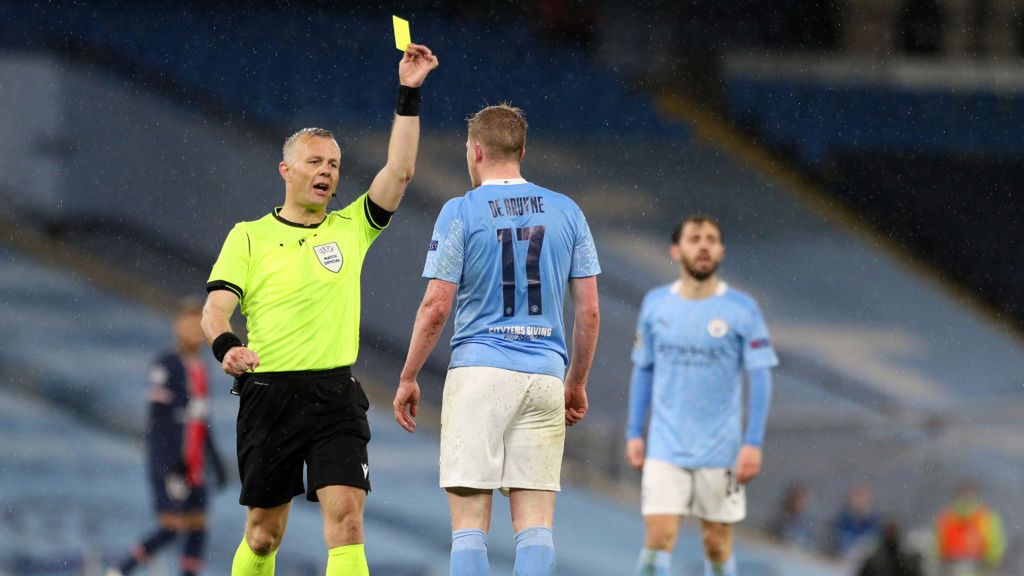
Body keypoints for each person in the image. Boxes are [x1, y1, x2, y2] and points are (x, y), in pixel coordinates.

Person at [201, 44, 438, 576]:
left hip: (335, 395)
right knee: (264, 536)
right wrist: (227, 345)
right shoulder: (249, 236)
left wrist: (409, 92)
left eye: (334, 163)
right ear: (287, 169)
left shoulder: (351, 227)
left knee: (348, 523)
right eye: (315, 161)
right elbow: (215, 309)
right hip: (270, 396)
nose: (327, 171)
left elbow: (399, 172)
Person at [392, 104, 601, 576]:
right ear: (523, 151)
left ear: (475, 150)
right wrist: (576, 382)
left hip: (480, 372)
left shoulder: (461, 210)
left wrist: (408, 375)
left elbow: (436, 306)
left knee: (469, 527)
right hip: (545, 374)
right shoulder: (567, 211)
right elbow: (588, 311)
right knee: (536, 527)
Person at [625, 216, 778, 576]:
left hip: (720, 449)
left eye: (712, 239)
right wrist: (634, 431)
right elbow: (643, 368)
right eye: (695, 238)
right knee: (659, 535)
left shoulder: (742, 309)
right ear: (676, 251)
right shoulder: (655, 304)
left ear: (722, 251)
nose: (704, 245)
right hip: (665, 445)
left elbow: (761, 375)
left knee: (715, 541)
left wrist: (753, 442)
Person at [107, 299, 227, 576]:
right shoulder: (165, 365)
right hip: (170, 462)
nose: (196, 332)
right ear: (178, 327)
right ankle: (119, 570)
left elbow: (201, 422)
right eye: (190, 324)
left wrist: (215, 461)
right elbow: (159, 420)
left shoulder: (201, 370)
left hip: (195, 466)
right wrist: (170, 464)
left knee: (198, 527)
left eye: (200, 325)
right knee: (172, 526)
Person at [934, 482, 1006, 576]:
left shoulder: (986, 518)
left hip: (979, 569)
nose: (965, 498)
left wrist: (991, 563)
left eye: (968, 494)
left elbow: (996, 545)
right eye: (963, 494)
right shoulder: (946, 518)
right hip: (950, 568)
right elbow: (935, 545)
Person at [831, 484, 882, 559]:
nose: (859, 503)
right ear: (849, 501)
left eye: (863, 499)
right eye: (856, 499)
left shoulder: (876, 526)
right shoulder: (839, 524)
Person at [769, 483, 818, 552]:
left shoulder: (805, 525)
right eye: (798, 498)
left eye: (804, 500)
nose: (801, 503)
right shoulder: (779, 522)